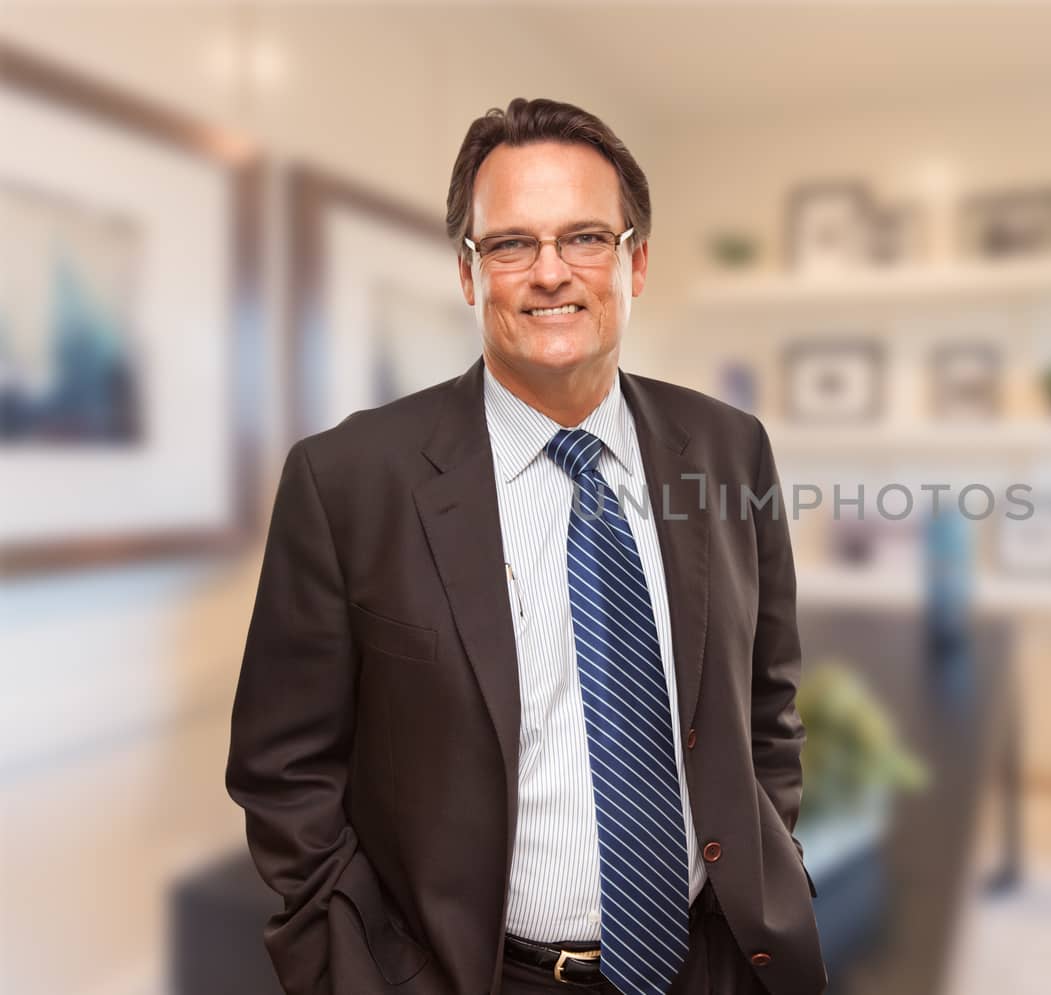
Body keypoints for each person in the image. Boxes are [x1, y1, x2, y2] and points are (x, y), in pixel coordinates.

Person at [226, 97, 825, 995]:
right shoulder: (347, 479)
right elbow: (284, 772)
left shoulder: (731, 448)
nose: (551, 273)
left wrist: (764, 870)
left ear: (637, 262)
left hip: (719, 961)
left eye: (586, 237)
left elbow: (766, 703)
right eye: (511, 245)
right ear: (471, 274)